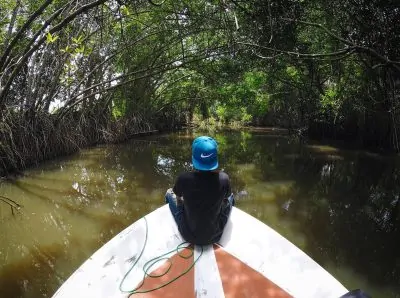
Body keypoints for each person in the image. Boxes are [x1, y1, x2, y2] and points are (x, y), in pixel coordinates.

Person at [165, 136, 235, 245]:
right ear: (215, 158)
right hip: (215, 235)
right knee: (231, 198)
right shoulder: (224, 178)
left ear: (194, 158)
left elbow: (178, 198)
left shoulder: (183, 178)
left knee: (169, 194)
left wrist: (181, 205)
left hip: (188, 235)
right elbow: (226, 198)